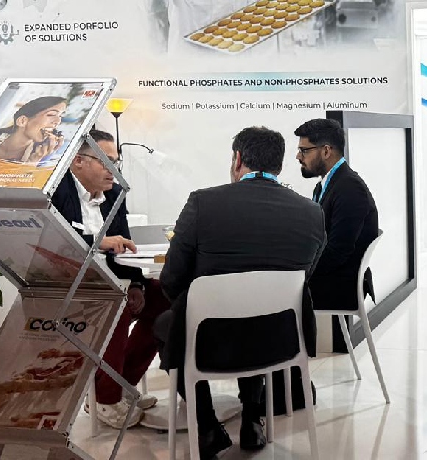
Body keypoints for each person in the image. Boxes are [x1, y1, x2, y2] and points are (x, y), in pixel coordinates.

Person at [153, 126, 326, 459]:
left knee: (168, 324)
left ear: (237, 159)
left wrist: (198, 303)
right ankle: (251, 419)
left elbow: (171, 279)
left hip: (210, 343)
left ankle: (206, 426)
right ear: (279, 165)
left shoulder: (203, 203)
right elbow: (305, 277)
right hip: (281, 341)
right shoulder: (311, 212)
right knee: (257, 319)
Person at [50, 129, 168, 429]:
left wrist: (137, 285)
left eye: (116, 162)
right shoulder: (56, 191)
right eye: (106, 161)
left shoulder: (114, 194)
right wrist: (97, 241)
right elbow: (50, 241)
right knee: (115, 305)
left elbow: (124, 244)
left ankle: (121, 385)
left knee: (165, 300)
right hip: (70, 287)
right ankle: (106, 398)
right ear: (78, 161)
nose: (113, 170)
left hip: (113, 281)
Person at [295, 119, 379, 313]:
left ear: (326, 151)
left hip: (339, 287)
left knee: (269, 293)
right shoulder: (328, 185)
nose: (298, 156)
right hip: (331, 278)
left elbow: (338, 251)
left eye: (304, 150)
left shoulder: (350, 188)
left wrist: (298, 272)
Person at [0, 96, 67, 165]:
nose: (58, 121)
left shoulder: (43, 154)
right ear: (22, 121)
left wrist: (33, 162)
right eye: (51, 114)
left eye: (60, 116)